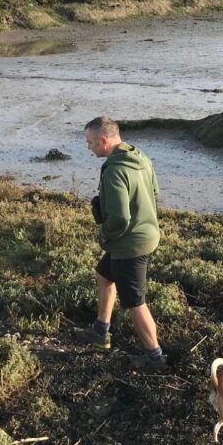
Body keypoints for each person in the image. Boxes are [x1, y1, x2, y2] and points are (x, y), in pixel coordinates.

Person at [79, 116, 165, 370]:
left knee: (135, 302)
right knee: (104, 275)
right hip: (146, 235)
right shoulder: (141, 158)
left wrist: (104, 235)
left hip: (129, 245)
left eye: (91, 142)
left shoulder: (115, 171)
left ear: (104, 140)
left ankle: (154, 357)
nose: (89, 147)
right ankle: (100, 331)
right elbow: (155, 193)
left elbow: (119, 218)